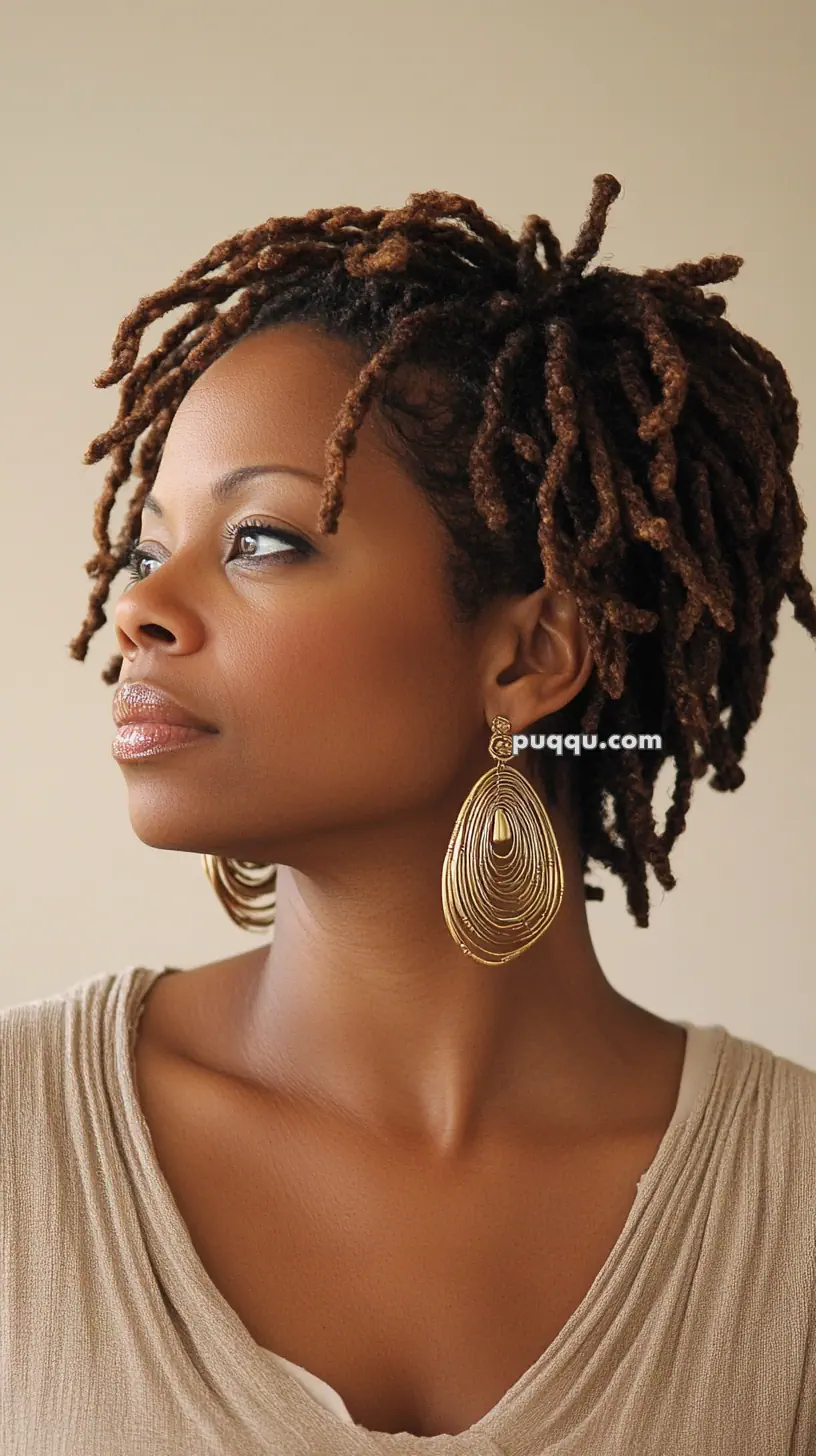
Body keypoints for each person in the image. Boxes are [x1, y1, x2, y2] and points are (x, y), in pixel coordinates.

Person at [2, 173, 814, 1455]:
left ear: (530, 655)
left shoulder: (793, 1213)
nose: (138, 611)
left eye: (263, 540)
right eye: (147, 550)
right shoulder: (20, 1142)